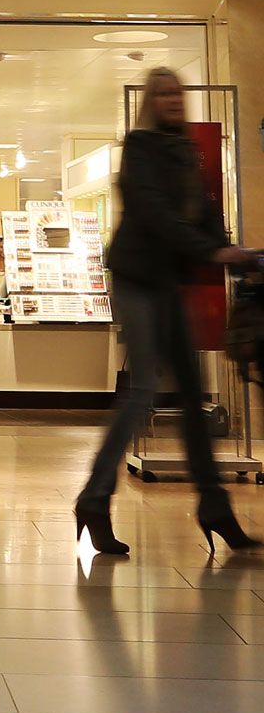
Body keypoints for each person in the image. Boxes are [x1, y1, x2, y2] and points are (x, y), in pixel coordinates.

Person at [76, 67, 259, 556]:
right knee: (141, 393)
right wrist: (213, 250)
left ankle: (214, 505)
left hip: (168, 282)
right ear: (150, 102)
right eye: (162, 92)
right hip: (137, 279)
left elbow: (200, 210)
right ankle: (94, 499)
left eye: (177, 91)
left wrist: (229, 248)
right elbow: (155, 212)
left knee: (191, 393)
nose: (172, 99)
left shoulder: (187, 151)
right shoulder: (140, 146)